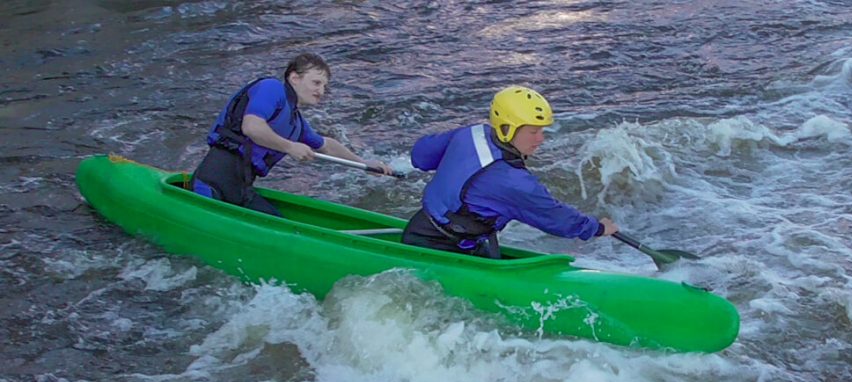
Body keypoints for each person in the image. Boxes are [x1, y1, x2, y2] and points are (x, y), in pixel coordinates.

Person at [401, 85, 619, 259]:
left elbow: (420, 156)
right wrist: (597, 228)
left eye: (541, 130)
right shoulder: (510, 182)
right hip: (439, 247)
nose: (540, 139)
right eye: (533, 131)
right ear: (507, 129)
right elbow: (556, 218)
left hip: (427, 226)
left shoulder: (473, 132)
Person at [191, 52, 394, 216]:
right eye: (316, 83)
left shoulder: (296, 123)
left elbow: (326, 144)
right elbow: (251, 127)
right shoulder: (272, 88)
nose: (321, 91)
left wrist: (366, 165)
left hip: (241, 188)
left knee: (277, 223)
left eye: (324, 86)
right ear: (294, 78)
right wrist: (289, 147)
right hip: (213, 182)